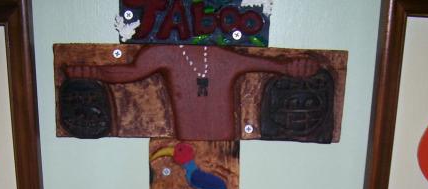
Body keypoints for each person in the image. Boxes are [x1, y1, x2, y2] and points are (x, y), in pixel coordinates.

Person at [65, 44, 321, 141]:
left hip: (224, 148)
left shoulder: (222, 56)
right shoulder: (163, 53)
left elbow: (274, 65)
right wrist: (94, 73)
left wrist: (292, 68)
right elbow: (129, 72)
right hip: (182, 148)